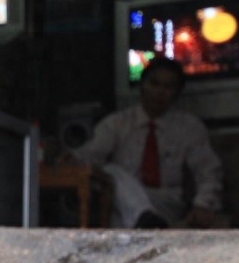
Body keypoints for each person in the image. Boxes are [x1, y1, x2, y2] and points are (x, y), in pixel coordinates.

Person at [70, 57, 224, 228]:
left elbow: (208, 170)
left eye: (168, 87)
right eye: (154, 84)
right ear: (142, 86)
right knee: (111, 172)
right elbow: (91, 155)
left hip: (166, 202)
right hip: (123, 202)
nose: (159, 92)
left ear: (177, 93)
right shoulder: (117, 123)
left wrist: (202, 204)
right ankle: (145, 219)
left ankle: (144, 221)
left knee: (120, 202)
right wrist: (69, 159)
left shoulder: (189, 127)